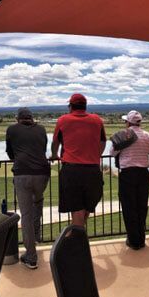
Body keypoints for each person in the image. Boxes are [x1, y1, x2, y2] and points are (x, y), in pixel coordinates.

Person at [109, 111, 149, 250]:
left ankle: (134, 241)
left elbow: (112, 153)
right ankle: (141, 238)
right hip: (143, 174)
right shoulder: (146, 135)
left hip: (127, 174)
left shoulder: (124, 135)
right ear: (139, 122)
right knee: (141, 206)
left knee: (129, 207)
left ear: (128, 122)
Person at [51, 93, 107, 227]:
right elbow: (103, 142)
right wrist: (96, 155)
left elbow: (55, 143)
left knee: (77, 210)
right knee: (86, 208)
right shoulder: (97, 120)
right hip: (93, 170)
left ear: (70, 106)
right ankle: (77, 237)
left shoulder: (63, 120)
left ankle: (77, 243)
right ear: (85, 106)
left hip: (71, 170)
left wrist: (54, 155)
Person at [5, 107, 50, 269]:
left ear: (18, 119)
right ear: (32, 118)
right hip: (43, 173)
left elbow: (10, 152)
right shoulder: (41, 129)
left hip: (22, 173)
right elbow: (43, 149)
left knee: (26, 214)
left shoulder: (11, 129)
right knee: (37, 202)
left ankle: (31, 256)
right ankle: (36, 236)